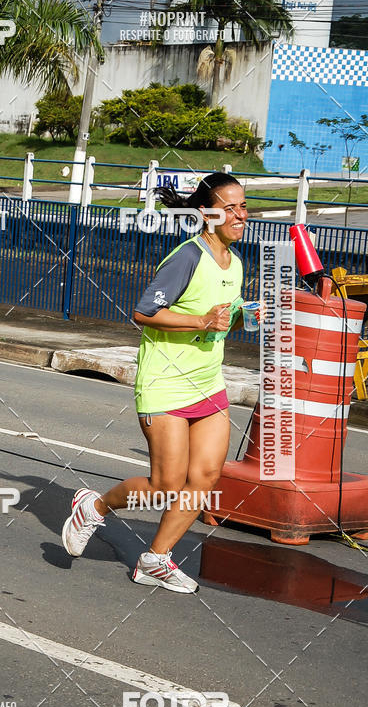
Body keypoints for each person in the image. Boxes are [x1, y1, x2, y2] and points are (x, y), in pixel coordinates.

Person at [61, 172, 252, 593]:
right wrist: (201, 320)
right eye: (232, 207)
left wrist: (246, 316)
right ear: (207, 214)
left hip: (208, 383)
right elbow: (144, 313)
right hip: (165, 383)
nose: (241, 215)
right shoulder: (187, 257)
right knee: (166, 484)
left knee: (204, 476)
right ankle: (95, 505)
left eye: (244, 206)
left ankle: (155, 559)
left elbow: (223, 317)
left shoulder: (236, 263)